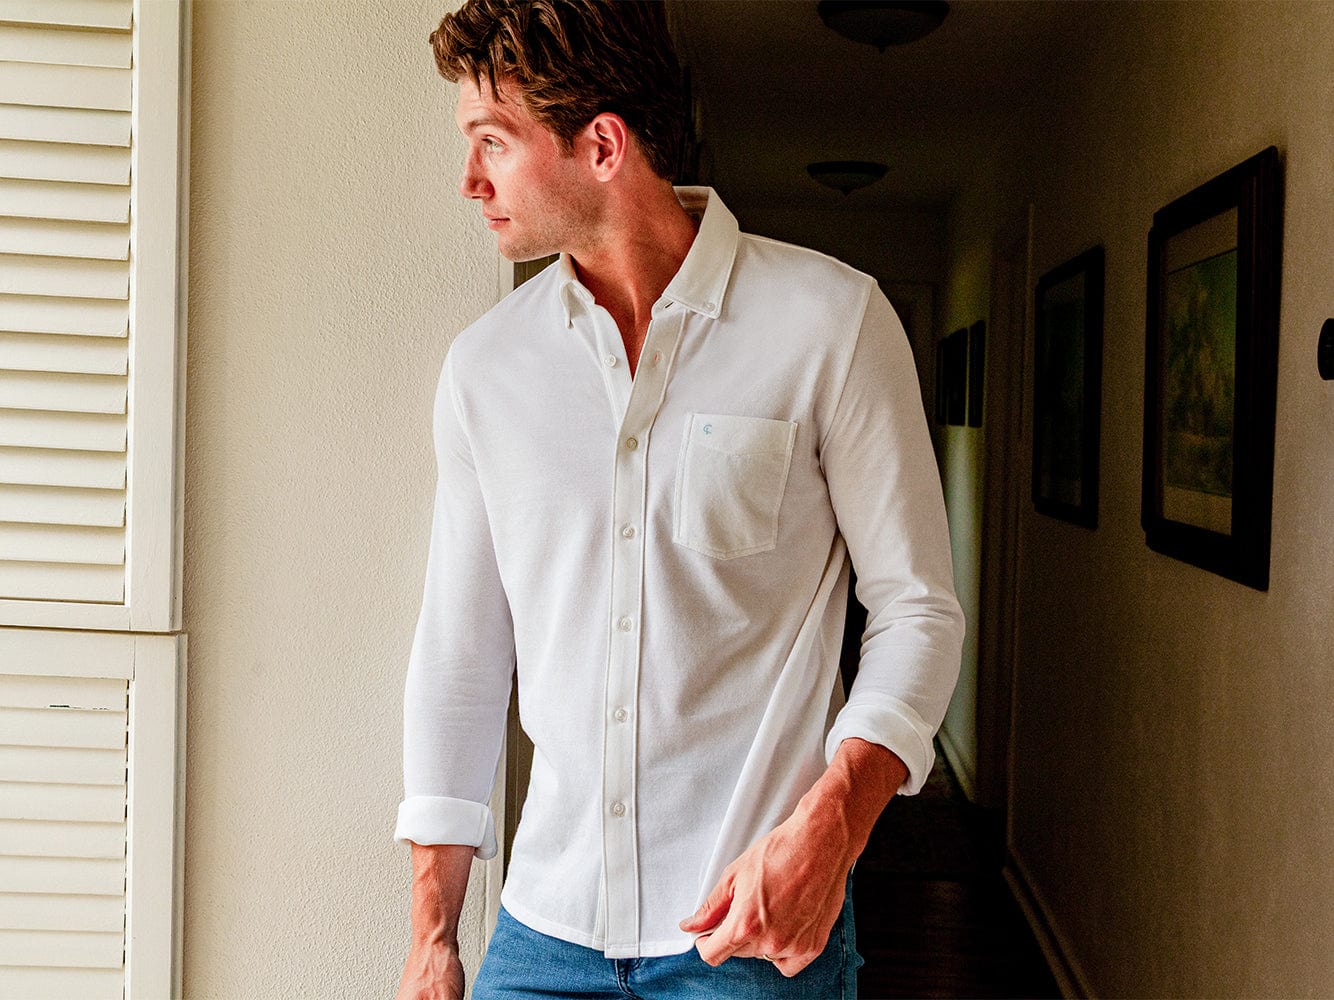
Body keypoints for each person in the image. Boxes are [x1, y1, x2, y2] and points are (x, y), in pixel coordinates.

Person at [394, 2, 964, 997]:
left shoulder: (832, 325)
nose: (469, 181)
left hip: (750, 936)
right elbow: (460, 651)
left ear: (601, 145)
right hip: (542, 931)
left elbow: (916, 610)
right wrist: (433, 935)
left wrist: (833, 828)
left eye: (493, 141)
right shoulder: (486, 371)